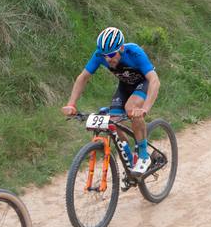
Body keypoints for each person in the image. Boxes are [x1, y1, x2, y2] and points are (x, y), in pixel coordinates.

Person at [61, 27, 161, 174]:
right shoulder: (99, 55)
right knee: (114, 120)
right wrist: (71, 104)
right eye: (104, 55)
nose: (108, 59)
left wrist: (145, 108)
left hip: (142, 83)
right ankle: (131, 159)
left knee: (131, 107)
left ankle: (144, 155)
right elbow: (83, 77)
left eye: (112, 54)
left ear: (121, 48)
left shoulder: (134, 52)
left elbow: (154, 80)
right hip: (125, 86)